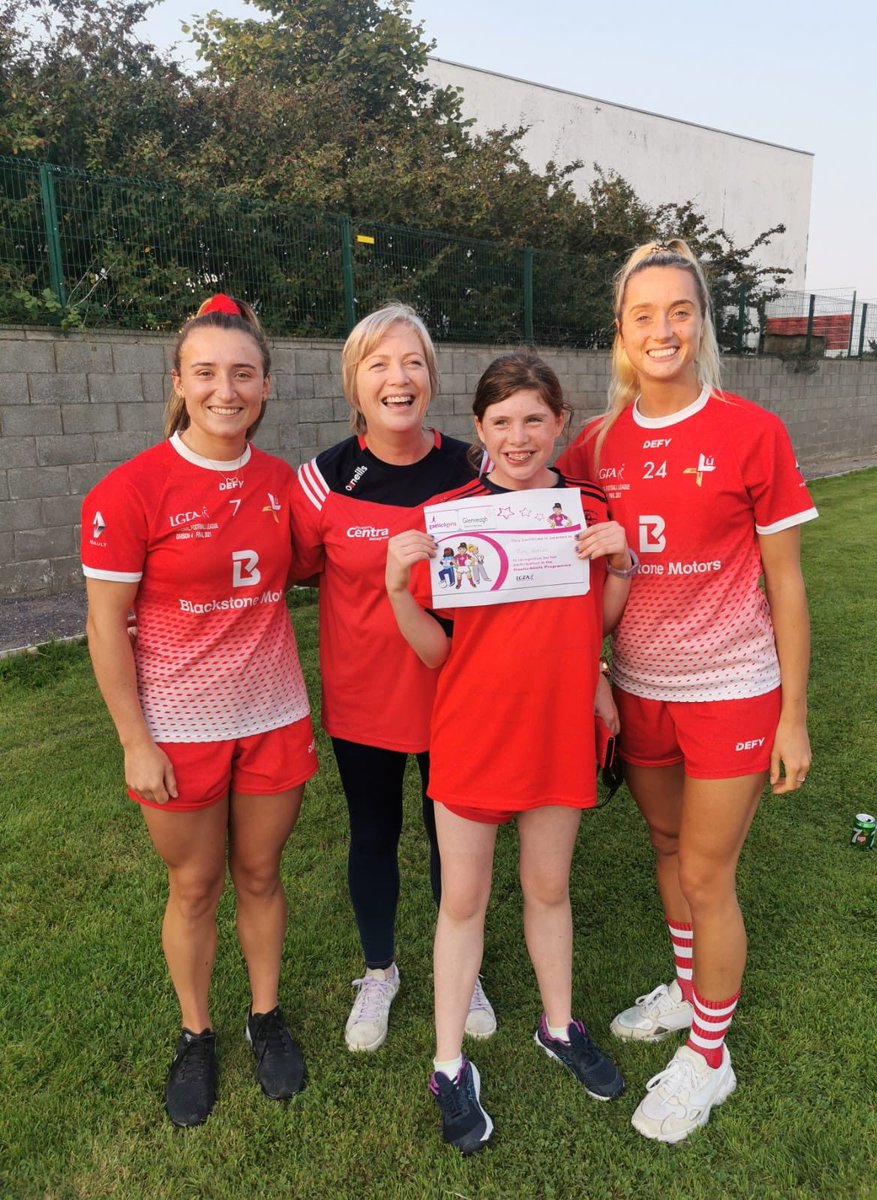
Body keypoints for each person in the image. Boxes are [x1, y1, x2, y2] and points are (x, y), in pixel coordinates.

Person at [558, 239, 817, 1143]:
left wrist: (794, 713)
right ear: (622, 334)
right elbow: (580, 570)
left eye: (680, 311)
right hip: (639, 689)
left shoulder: (751, 430)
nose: (662, 329)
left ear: (700, 323)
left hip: (734, 689)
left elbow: (785, 581)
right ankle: (687, 986)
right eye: (644, 315)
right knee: (667, 847)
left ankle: (711, 1055)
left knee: (709, 872)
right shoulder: (595, 443)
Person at [385, 352, 636, 1155]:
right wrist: (395, 587)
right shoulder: (451, 514)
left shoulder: (587, 506)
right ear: (479, 430)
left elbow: (594, 621)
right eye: (502, 422)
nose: (519, 437)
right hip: (473, 734)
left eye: (535, 419)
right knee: (462, 900)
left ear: (562, 422)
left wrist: (622, 559)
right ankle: (448, 1064)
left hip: (558, 731)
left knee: (549, 887)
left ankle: (558, 1026)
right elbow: (432, 653)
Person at [81, 295, 316, 1127]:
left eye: (243, 374)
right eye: (208, 373)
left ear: (266, 385)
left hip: (274, 714)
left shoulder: (286, 483)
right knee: (196, 884)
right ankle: (195, 1033)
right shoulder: (130, 490)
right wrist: (133, 740)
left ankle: (264, 1017)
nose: (227, 389)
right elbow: (105, 627)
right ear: (178, 381)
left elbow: (339, 560)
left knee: (259, 874)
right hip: (178, 729)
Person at [293, 304, 496, 1052]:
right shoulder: (321, 481)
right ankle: (379, 971)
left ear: (431, 376)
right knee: (374, 834)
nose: (397, 378)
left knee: (456, 842)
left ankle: (462, 963)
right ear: (354, 383)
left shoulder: (475, 470)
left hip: (460, 698)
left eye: (411, 362)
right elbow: (282, 571)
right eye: (378, 364)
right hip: (366, 703)